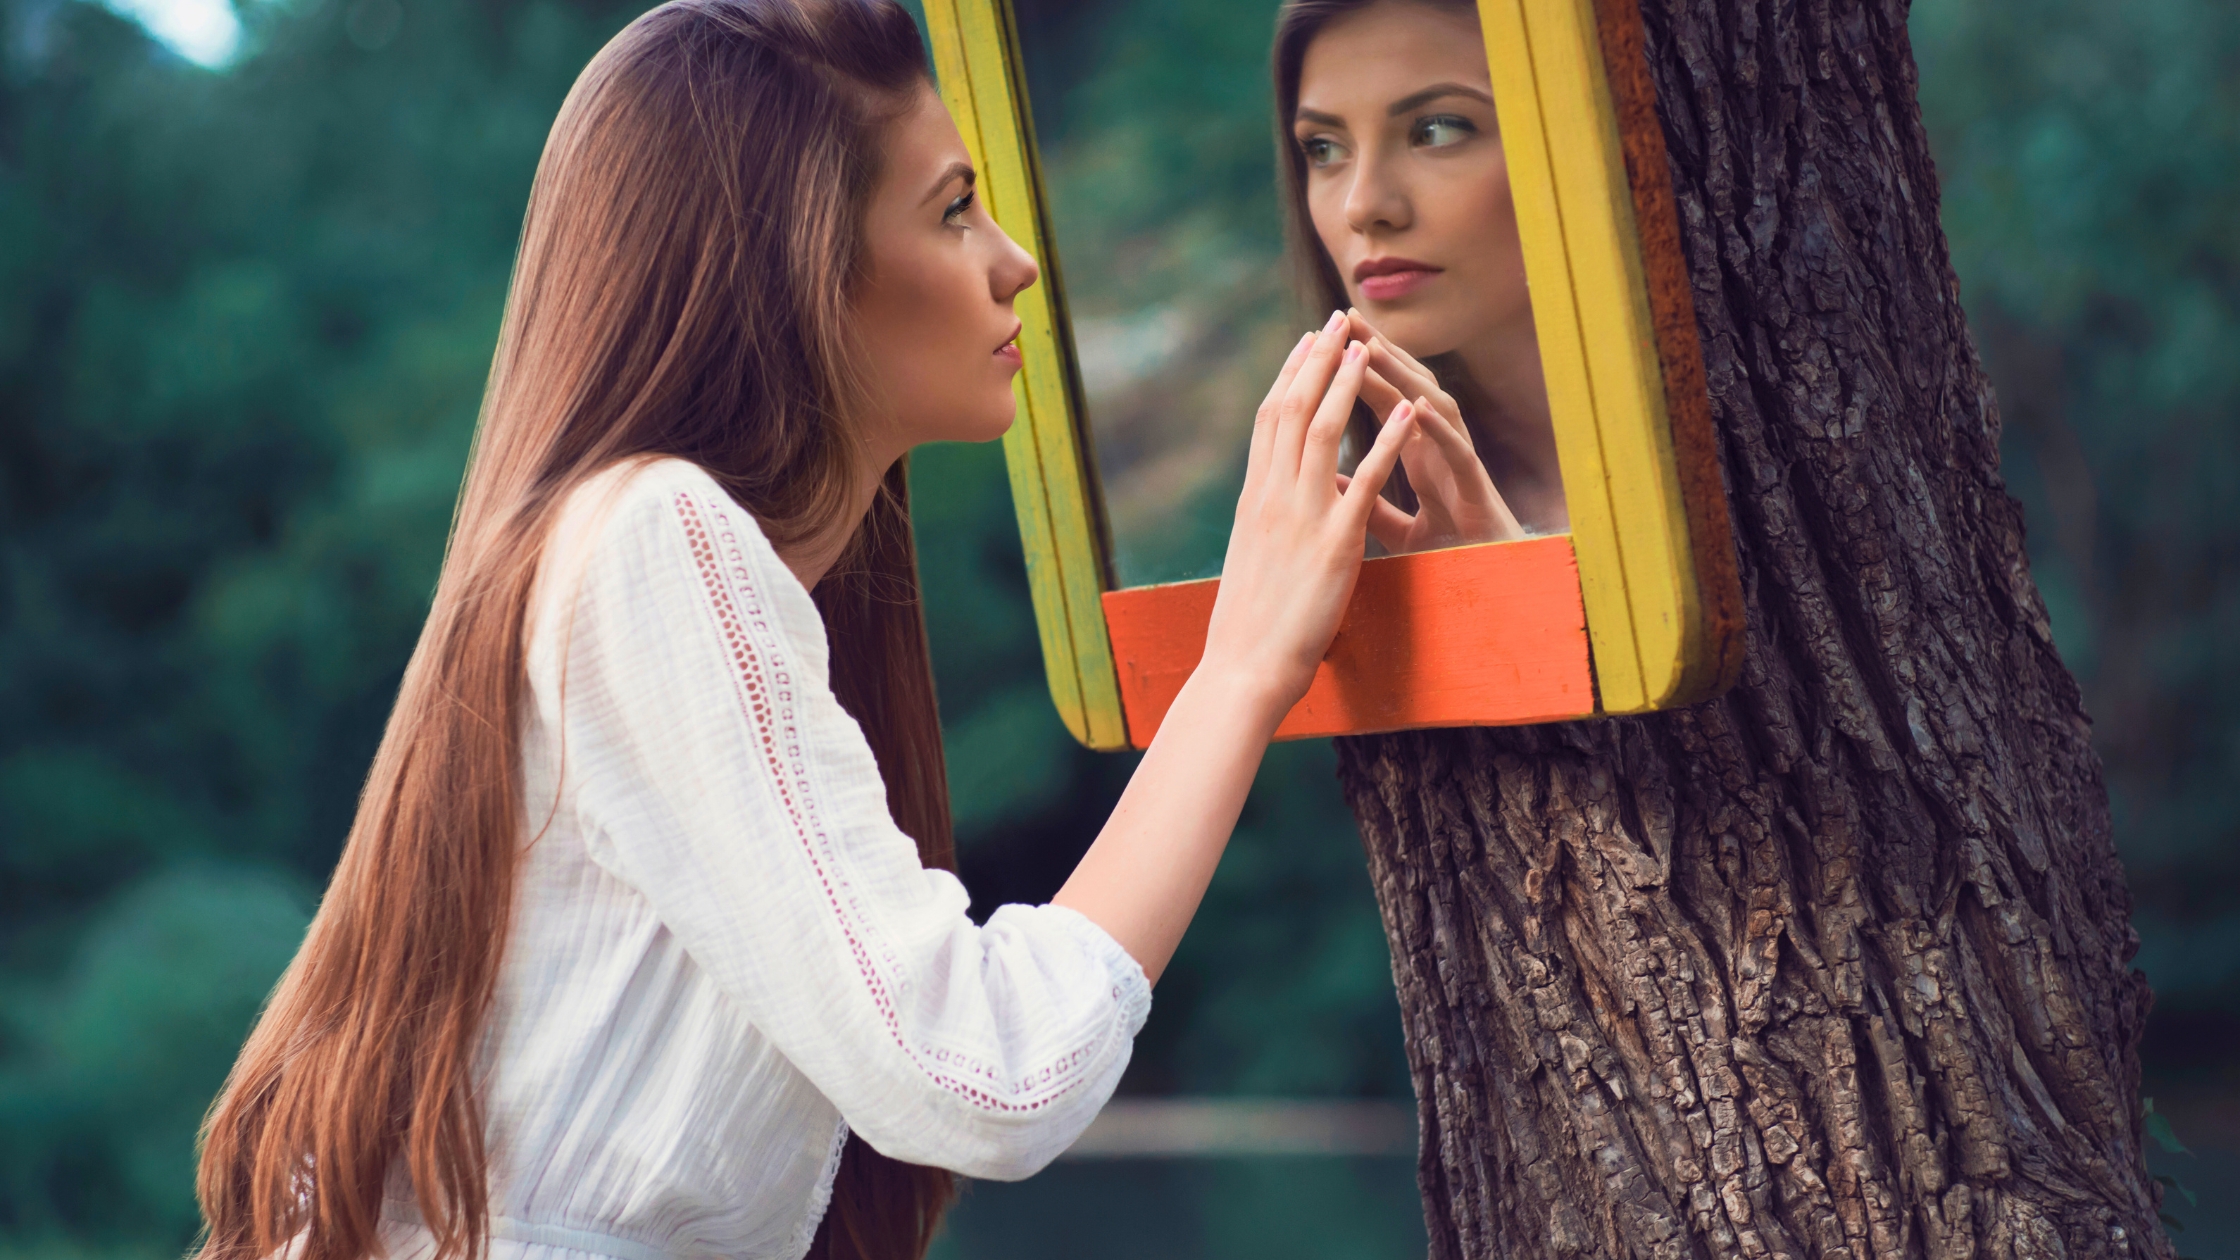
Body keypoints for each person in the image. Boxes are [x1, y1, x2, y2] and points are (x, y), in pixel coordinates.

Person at [191, 3, 1416, 1260]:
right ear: (798, 267)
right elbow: (987, 1075)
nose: (1014, 263)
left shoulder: (670, 560)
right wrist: (1243, 665)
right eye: (951, 210)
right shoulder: (653, 537)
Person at [1274, 0, 1570, 549]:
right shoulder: (1333, 515)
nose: (1362, 207)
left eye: (1436, 131)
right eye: (1325, 148)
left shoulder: (1745, 455)